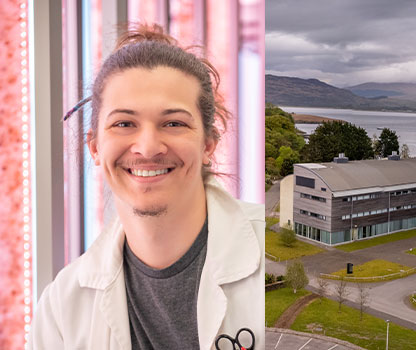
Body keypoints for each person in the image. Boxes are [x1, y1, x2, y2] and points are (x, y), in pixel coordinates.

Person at [29, 24, 264, 350]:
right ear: (95, 147)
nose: (148, 147)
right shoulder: (61, 308)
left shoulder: (271, 253)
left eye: (174, 123)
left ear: (208, 144)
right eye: (124, 123)